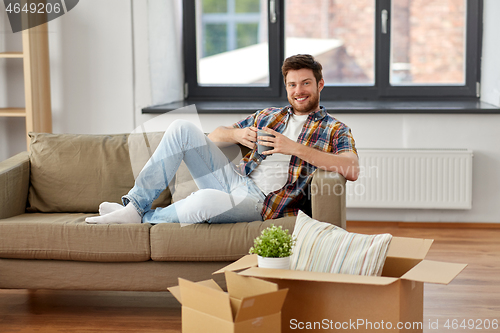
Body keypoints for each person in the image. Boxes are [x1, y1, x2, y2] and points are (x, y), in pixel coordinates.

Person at [85, 54, 359, 225]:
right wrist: (237, 134)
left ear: (319, 84)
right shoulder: (268, 116)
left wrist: (294, 148)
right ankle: (134, 205)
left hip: (260, 204)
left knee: (204, 201)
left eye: (306, 83)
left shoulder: (335, 129)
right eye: (292, 84)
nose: (299, 91)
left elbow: (351, 168)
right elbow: (214, 137)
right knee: (182, 126)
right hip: (236, 180)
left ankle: (141, 218)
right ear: (286, 87)